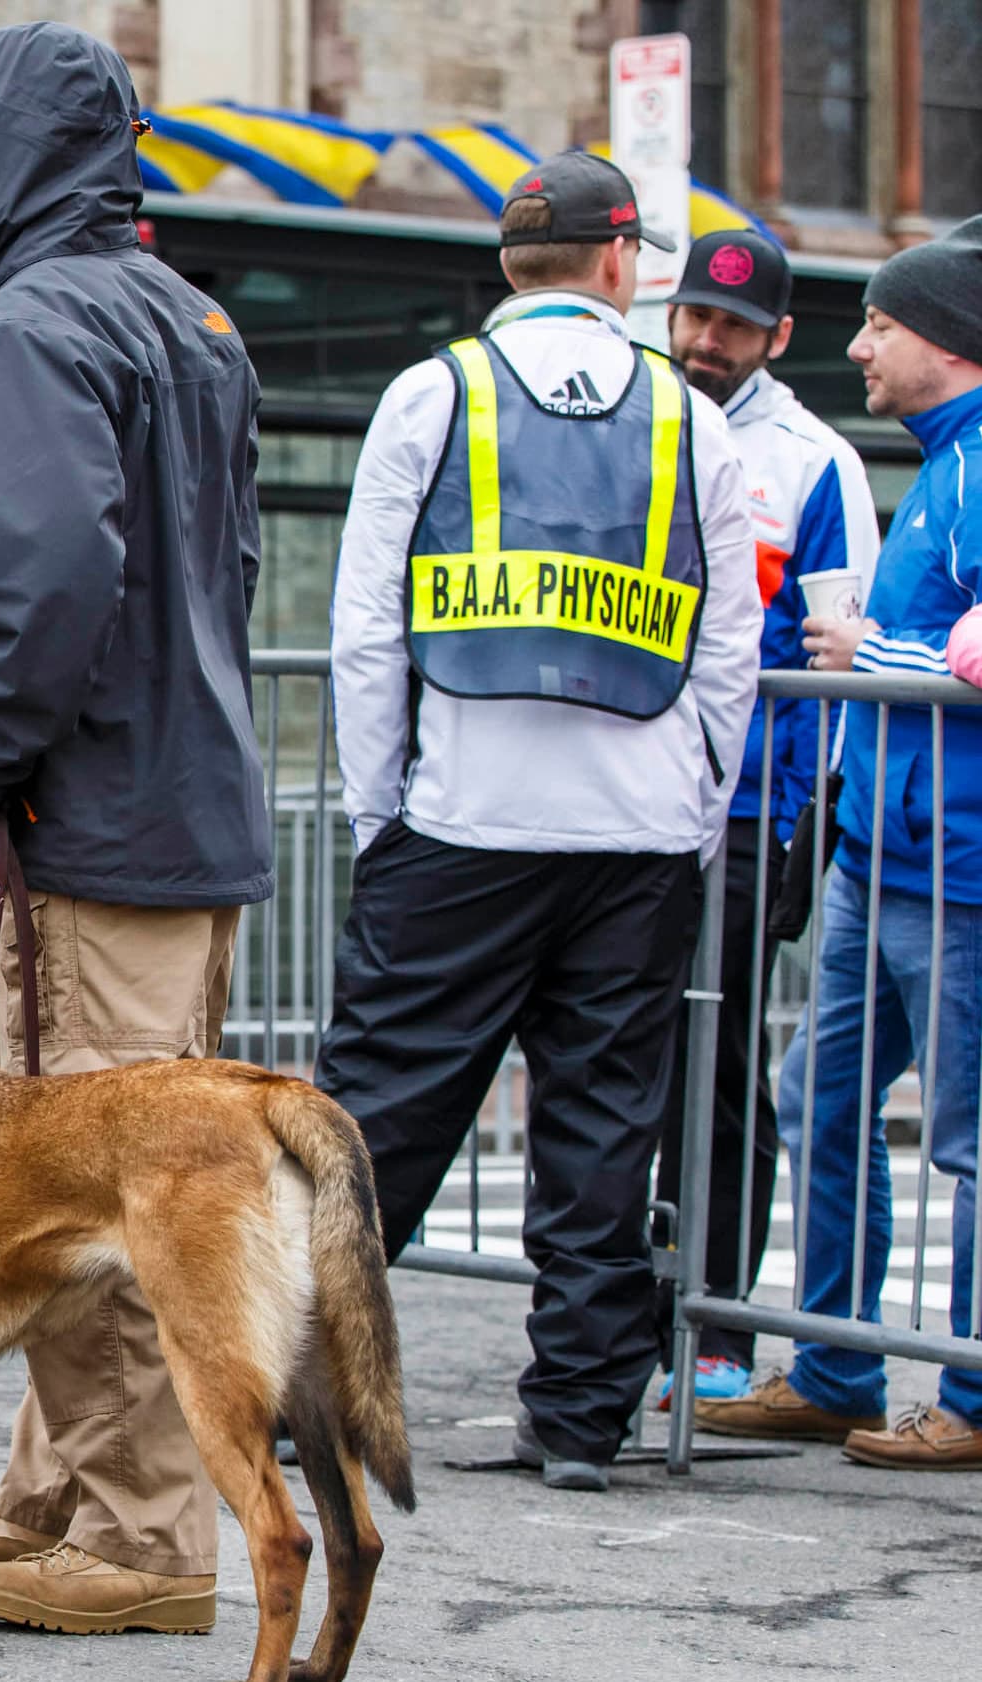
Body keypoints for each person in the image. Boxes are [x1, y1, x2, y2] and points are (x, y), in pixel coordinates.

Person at [0, 23, 272, 1635]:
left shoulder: (32, 326)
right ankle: (58, 1496)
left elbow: (40, 579)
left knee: (85, 1197)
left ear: (6, 157)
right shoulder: (181, 310)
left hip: (88, 821)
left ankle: (138, 1539)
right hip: (174, 807)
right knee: (106, 1186)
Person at [316, 154, 759, 1491]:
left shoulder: (429, 394)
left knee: (373, 1124)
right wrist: (694, 807)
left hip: (459, 822)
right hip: (632, 837)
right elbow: (725, 645)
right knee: (599, 1131)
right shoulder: (694, 420)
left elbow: (362, 630)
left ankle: (298, 1387)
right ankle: (576, 1417)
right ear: (619, 263)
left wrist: (377, 811)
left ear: (509, 266)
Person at [698, 215, 982, 1471]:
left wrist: (872, 653)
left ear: (951, 340)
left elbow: (951, 658)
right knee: (823, 1094)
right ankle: (833, 1365)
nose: (860, 344)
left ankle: (972, 1397)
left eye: (882, 321)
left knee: (969, 1139)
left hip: (961, 866)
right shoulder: (939, 461)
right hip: (889, 855)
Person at [649, 229, 881, 1410]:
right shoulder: (638, 417)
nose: (705, 340)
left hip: (747, 812)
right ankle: (633, 1302)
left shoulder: (816, 461)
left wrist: (810, 823)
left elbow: (840, 659)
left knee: (723, 1063)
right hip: (637, 800)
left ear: (779, 337)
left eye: (733, 327)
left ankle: (722, 1318)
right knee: (625, 1052)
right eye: (695, 316)